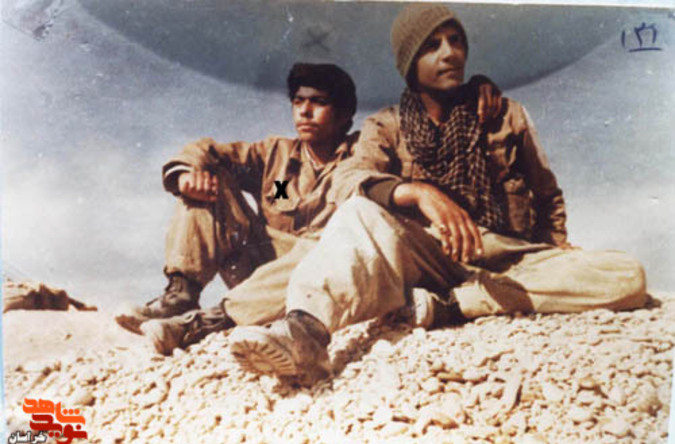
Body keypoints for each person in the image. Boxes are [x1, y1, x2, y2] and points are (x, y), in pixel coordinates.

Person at [228, 5, 647, 384]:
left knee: (626, 275)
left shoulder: (504, 115)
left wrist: (557, 248)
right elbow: (349, 178)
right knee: (356, 214)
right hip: (430, 254)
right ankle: (304, 334)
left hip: (508, 258)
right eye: (432, 46)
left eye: (456, 41)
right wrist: (415, 192)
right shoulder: (385, 126)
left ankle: (454, 304)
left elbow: (547, 194)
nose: (450, 54)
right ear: (409, 62)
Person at [115, 60, 505, 355]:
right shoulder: (274, 154)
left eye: (318, 102)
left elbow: (426, 128)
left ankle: (205, 323)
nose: (304, 111)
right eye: (298, 102)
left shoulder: (366, 152)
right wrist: (187, 173)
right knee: (207, 184)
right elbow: (208, 150)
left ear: (345, 114)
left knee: (330, 239)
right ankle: (180, 295)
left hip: (319, 272)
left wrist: (473, 89)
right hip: (261, 265)